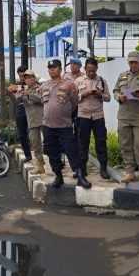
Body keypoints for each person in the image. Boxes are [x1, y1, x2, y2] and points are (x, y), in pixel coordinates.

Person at [41, 59, 90, 189]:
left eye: (55, 67)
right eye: (50, 67)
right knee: (52, 152)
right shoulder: (44, 85)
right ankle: (58, 176)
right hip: (48, 125)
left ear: (60, 69)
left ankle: (80, 176)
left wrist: (64, 112)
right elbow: (44, 103)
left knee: (71, 150)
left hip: (64, 125)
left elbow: (74, 102)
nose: (52, 69)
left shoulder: (69, 85)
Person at [113, 51, 139, 185]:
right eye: (131, 62)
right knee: (126, 145)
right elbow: (115, 91)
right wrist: (119, 97)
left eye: (135, 62)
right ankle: (129, 172)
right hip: (124, 115)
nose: (133, 64)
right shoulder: (122, 76)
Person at [75, 58, 112, 180]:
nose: (91, 73)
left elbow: (108, 98)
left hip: (98, 116)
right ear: (85, 68)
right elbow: (73, 98)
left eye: (93, 71)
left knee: (101, 142)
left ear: (97, 69)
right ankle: (82, 168)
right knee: (82, 143)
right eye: (89, 70)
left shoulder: (102, 80)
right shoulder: (78, 81)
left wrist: (101, 95)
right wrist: (83, 95)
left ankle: (103, 168)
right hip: (83, 116)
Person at [19, 69, 44, 175]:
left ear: (34, 78)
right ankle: (40, 166)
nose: (27, 80)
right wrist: (12, 93)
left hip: (43, 120)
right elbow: (18, 102)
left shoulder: (40, 88)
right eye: (26, 78)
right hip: (32, 121)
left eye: (29, 77)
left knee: (51, 143)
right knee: (35, 144)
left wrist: (28, 94)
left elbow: (41, 100)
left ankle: (57, 164)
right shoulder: (23, 90)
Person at [8, 66, 32, 164]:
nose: (22, 76)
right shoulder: (15, 85)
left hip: (32, 110)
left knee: (37, 132)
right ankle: (28, 155)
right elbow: (14, 99)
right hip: (20, 110)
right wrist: (10, 92)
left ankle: (42, 152)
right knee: (22, 134)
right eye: (20, 74)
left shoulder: (32, 83)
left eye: (23, 74)